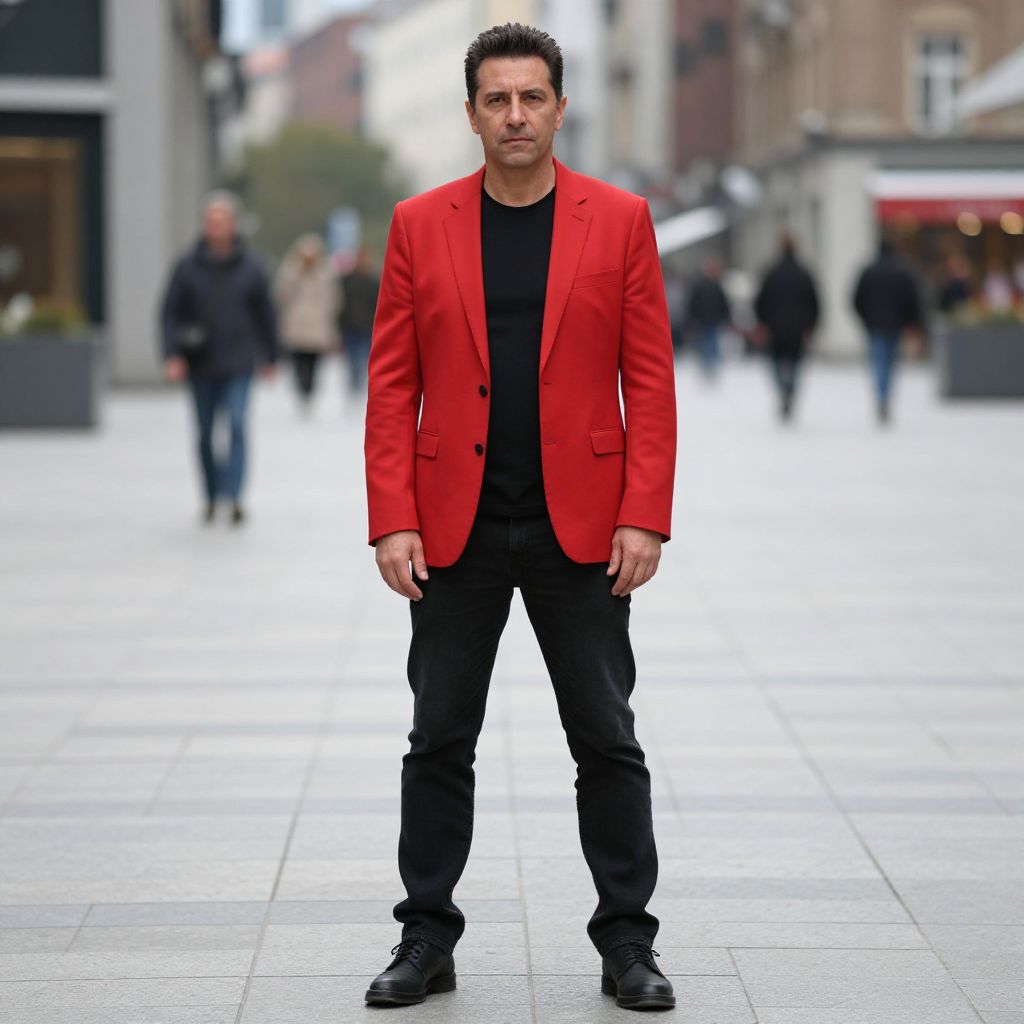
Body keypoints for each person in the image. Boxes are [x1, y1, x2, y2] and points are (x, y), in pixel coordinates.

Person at [363, 22, 677, 1012]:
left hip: (579, 526)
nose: (513, 115)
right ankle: (425, 936)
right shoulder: (419, 224)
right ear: (470, 114)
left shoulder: (618, 220)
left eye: (530, 97)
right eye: (495, 100)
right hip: (452, 524)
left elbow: (650, 381)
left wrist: (645, 515)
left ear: (558, 107)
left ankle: (627, 941)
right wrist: (391, 518)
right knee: (437, 737)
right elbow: (390, 383)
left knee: (605, 738)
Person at [160, 192, 279, 524]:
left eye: (222, 221)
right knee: (205, 431)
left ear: (233, 224)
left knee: (238, 425)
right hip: (201, 362)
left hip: (239, 360)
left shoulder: (252, 265)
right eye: (211, 221)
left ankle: (236, 495)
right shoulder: (186, 265)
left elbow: (266, 313)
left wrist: (271, 356)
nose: (217, 227)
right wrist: (172, 355)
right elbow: (169, 312)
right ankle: (212, 494)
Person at [852, 238, 924, 424]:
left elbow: (857, 298)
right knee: (890, 362)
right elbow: (913, 299)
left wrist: (865, 319)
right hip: (895, 325)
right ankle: (885, 396)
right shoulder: (902, 271)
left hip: (875, 324)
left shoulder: (869, 271)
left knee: (879, 361)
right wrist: (912, 323)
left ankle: (882, 396)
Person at [754, 234, 820, 422]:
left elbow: (760, 301)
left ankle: (783, 389)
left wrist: (762, 323)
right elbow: (814, 303)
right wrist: (811, 325)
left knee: (776, 362)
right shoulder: (804, 273)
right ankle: (789, 389)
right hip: (798, 328)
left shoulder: (771, 273)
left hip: (775, 328)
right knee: (795, 363)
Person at [274, 233, 337, 412]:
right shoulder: (290, 272)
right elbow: (280, 296)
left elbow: (332, 300)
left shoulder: (325, 274)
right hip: (296, 325)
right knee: (298, 361)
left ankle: (309, 391)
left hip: (317, 326)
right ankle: (301, 391)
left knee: (314, 363)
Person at [337, 247, 380, 395]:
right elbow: (341, 303)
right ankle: (354, 385)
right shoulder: (347, 280)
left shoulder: (374, 281)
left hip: (367, 326)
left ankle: (359, 385)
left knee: (363, 357)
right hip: (350, 326)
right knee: (352, 358)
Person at [685, 255, 732, 379]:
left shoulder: (716, 286)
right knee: (705, 345)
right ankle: (706, 369)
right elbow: (692, 303)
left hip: (713, 321)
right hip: (702, 321)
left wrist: (725, 317)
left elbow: (723, 304)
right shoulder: (700, 286)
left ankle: (711, 369)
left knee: (711, 344)